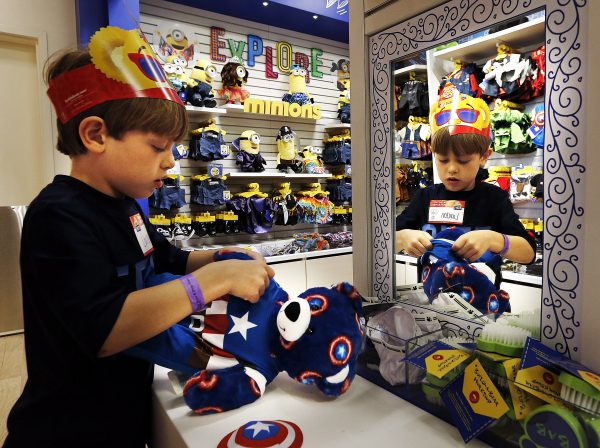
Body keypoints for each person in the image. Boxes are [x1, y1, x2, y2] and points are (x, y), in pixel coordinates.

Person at [3, 26, 274, 448]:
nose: (170, 162)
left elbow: (169, 260)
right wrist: (213, 281)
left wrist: (224, 257)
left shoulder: (125, 205)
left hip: (126, 418)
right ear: (95, 135)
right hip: (66, 433)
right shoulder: (58, 215)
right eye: (157, 146)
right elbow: (105, 329)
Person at [395, 88, 536, 265]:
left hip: (482, 284)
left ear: (484, 156)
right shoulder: (425, 197)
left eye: (463, 161)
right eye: (443, 160)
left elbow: (528, 254)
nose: (452, 169)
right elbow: (382, 240)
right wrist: (402, 237)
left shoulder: (494, 198)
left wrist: (493, 239)